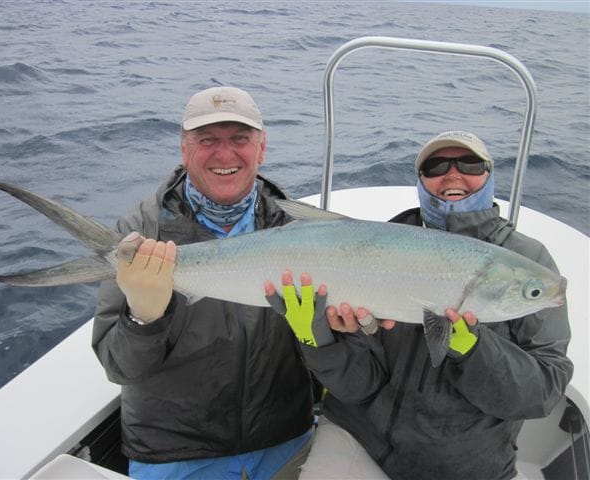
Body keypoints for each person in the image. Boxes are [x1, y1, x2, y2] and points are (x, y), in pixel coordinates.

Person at [266, 131, 574, 480]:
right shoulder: (378, 245)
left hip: (467, 464)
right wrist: (320, 341)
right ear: (421, 180)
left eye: (469, 164)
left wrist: (475, 351)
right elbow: (359, 386)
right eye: (436, 165)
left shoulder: (528, 261)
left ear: (489, 174)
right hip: (359, 437)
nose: (453, 174)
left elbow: (542, 392)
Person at [93, 86, 315, 480]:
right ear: (184, 149)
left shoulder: (299, 228)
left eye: (240, 140)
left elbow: (331, 364)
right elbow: (118, 366)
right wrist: (143, 319)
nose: (225, 154)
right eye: (207, 140)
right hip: (175, 455)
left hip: (284, 443)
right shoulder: (141, 231)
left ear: (261, 149)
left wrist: (321, 333)